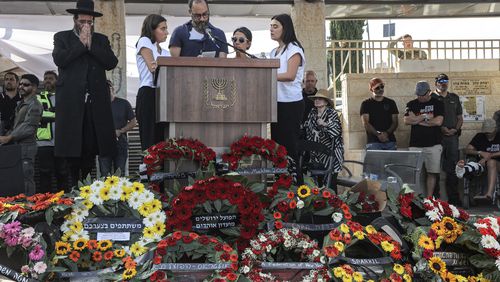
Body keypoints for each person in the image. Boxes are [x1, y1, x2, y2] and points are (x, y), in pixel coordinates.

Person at [52, 0, 118, 188]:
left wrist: (91, 46)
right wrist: (80, 44)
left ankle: (89, 186)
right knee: (72, 147)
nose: (86, 25)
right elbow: (60, 59)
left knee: (91, 146)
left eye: (90, 22)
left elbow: (110, 62)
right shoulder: (62, 38)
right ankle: (72, 187)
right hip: (72, 103)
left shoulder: (101, 40)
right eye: (82, 22)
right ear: (74, 20)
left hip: (94, 103)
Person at [270, 13, 306, 177]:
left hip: (291, 105)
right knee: (277, 149)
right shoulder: (273, 51)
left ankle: (295, 188)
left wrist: (266, 75)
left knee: (289, 148)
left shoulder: (294, 49)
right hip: (275, 104)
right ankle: (280, 186)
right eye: (270, 26)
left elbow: (290, 75)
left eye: (275, 26)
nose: (271, 29)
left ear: (286, 28)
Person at [0, 74, 42, 195]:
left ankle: (30, 209)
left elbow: (29, 127)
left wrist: (9, 137)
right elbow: (16, 125)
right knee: (17, 179)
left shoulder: (35, 104)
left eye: (26, 84)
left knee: (26, 178)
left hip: (27, 146)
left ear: (34, 88)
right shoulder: (21, 104)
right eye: (21, 84)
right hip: (17, 146)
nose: (21, 86)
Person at [404, 81, 444, 197]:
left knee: (432, 173)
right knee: (414, 173)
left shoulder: (438, 103)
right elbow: (406, 121)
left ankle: (429, 198)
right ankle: (414, 199)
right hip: (415, 145)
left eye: (422, 95)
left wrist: (416, 120)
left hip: (433, 144)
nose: (420, 97)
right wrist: (424, 117)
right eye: (418, 95)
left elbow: (438, 122)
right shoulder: (411, 104)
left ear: (429, 92)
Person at [135, 14, 169, 151]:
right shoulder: (144, 41)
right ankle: (148, 168)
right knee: (149, 137)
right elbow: (152, 66)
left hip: (163, 94)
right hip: (149, 92)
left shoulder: (166, 52)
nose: (167, 32)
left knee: (162, 136)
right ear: (152, 29)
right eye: (163, 28)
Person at [431, 73, 463, 205]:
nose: (443, 83)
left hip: (452, 137)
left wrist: (455, 129)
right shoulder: (431, 97)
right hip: (437, 137)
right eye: (441, 81)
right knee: (435, 168)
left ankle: (454, 199)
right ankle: (435, 199)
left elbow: (460, 118)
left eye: (445, 81)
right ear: (436, 83)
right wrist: (442, 128)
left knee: (452, 168)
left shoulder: (454, 97)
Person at [303, 89, 343, 192]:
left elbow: (337, 131)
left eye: (320, 99)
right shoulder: (312, 113)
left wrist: (325, 124)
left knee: (330, 184)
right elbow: (307, 129)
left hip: (331, 154)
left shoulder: (332, 113)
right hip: (316, 154)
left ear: (326, 102)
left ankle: (333, 204)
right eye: (316, 98)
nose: (317, 100)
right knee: (316, 184)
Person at [36, 70, 69, 193]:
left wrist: (49, 114)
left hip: (61, 142)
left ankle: (64, 202)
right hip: (44, 143)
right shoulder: (38, 98)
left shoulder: (64, 97)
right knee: (45, 174)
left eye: (51, 78)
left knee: (63, 173)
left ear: (57, 81)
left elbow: (68, 116)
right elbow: (38, 116)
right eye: (45, 78)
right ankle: (45, 204)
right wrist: (57, 114)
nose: (48, 80)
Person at [99, 80, 137, 176]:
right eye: (104, 89)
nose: (107, 91)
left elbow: (133, 122)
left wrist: (121, 131)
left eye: (109, 88)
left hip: (120, 144)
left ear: (113, 89)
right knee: (104, 175)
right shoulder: (98, 106)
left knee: (119, 175)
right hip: (104, 144)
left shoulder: (124, 103)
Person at [463, 119, 500, 202]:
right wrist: (480, 152)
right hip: (481, 164)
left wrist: (489, 156)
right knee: (471, 165)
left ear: (495, 128)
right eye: (486, 131)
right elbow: (467, 150)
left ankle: (489, 194)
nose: (487, 133)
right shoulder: (479, 136)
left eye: (489, 131)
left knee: (491, 162)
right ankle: (473, 193)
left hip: (497, 163)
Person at [360, 78, 399, 150]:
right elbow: (366, 123)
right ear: (371, 89)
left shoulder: (391, 103)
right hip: (373, 142)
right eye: (377, 88)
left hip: (390, 141)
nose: (380, 89)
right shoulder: (366, 104)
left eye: (382, 87)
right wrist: (378, 135)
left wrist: (386, 134)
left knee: (392, 162)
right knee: (374, 162)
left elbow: (395, 122)